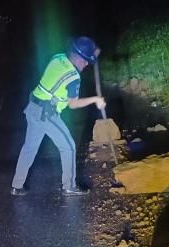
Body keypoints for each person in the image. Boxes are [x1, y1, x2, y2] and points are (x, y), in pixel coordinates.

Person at [10, 36, 106, 196]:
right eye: (86, 60)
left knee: (29, 149)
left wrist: (94, 51)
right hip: (46, 114)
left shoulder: (59, 57)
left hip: (32, 107)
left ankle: (16, 186)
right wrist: (95, 99)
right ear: (77, 57)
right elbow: (73, 104)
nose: (87, 63)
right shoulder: (73, 77)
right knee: (68, 146)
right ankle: (69, 186)